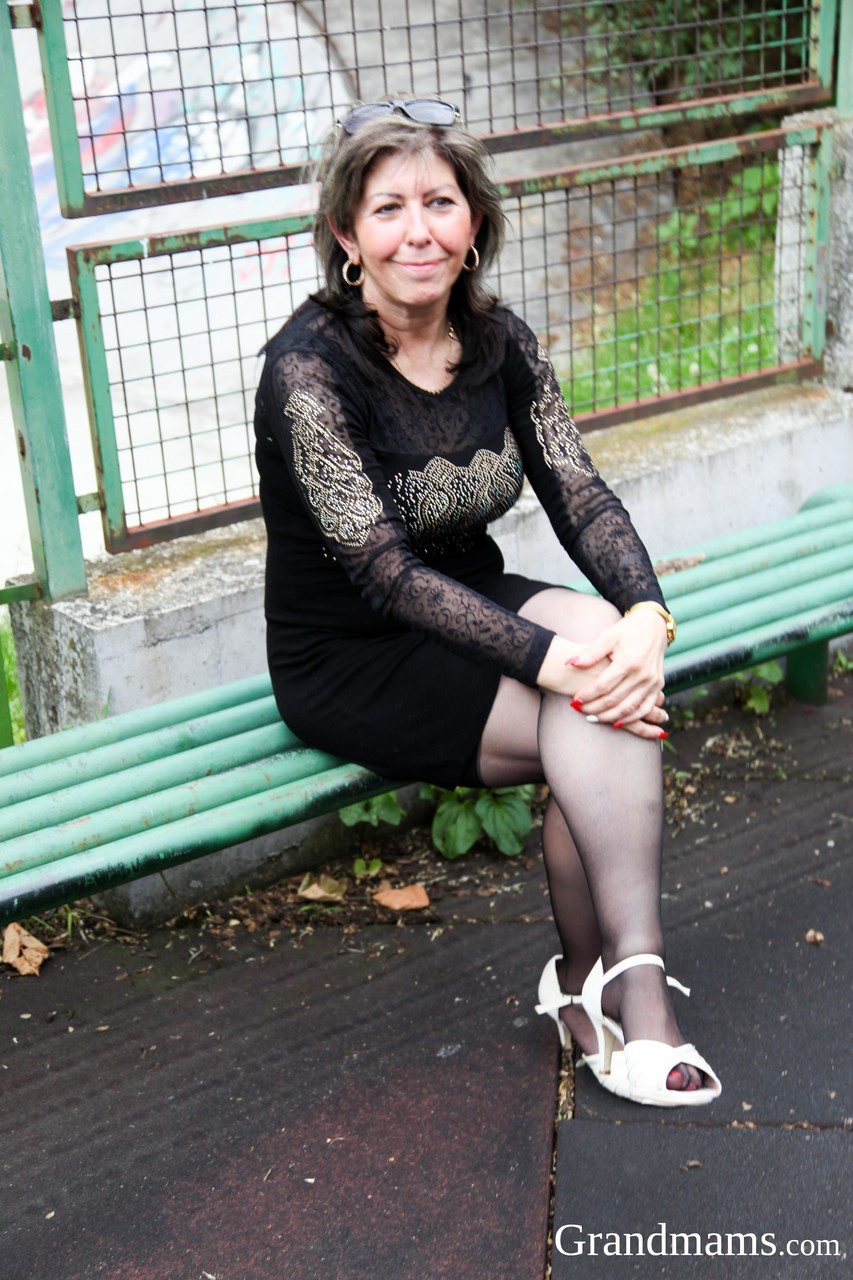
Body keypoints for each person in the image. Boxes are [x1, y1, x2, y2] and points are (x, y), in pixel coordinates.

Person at [253, 98, 720, 1107]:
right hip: (353, 652)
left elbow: (578, 491)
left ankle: (600, 979)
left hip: (471, 602)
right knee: (588, 697)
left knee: (604, 653)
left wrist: (646, 615)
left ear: (473, 223)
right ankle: (618, 989)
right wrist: (558, 663)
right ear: (346, 236)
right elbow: (382, 572)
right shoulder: (308, 373)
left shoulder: (497, 340)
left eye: (439, 203)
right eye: (387, 209)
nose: (416, 231)